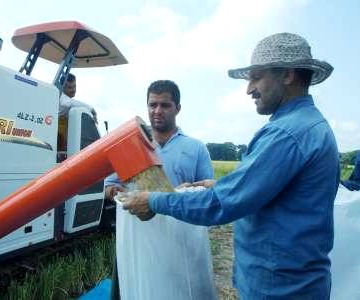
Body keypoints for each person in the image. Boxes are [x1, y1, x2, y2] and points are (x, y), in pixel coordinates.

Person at [123, 33, 340, 299]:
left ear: (287, 75)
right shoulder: (305, 126)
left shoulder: (287, 134)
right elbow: (264, 192)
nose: (249, 89)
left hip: (280, 289)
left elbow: (221, 204)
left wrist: (154, 201)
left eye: (256, 77)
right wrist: (222, 185)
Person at [105, 80, 217, 300]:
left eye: (165, 105)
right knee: (138, 288)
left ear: (178, 108)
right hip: (140, 237)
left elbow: (208, 195)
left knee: (182, 289)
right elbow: (108, 186)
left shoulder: (195, 148)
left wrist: (190, 188)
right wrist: (113, 191)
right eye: (152, 104)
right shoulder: (131, 147)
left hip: (180, 239)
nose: (157, 111)